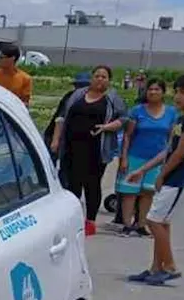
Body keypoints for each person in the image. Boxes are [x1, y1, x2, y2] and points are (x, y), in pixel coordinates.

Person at [126, 74, 184, 286]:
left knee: (153, 221)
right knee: (161, 222)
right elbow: (168, 150)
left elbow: (180, 153)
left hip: (179, 179)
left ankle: (170, 266)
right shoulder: (181, 118)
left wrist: (162, 175)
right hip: (171, 178)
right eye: (177, 91)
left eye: (183, 92)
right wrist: (143, 170)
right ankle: (156, 267)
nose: (178, 96)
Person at [51, 65, 127, 223]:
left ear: (109, 80)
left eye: (104, 77)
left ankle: (90, 221)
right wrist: (56, 139)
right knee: (72, 184)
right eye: (97, 76)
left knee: (92, 184)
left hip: (97, 149)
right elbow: (61, 117)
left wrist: (106, 127)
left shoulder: (113, 99)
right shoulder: (76, 95)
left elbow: (123, 120)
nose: (100, 79)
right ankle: (73, 220)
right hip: (71, 146)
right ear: (91, 78)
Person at [116, 78, 175, 237]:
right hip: (135, 156)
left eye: (157, 89)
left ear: (163, 92)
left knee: (147, 192)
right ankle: (127, 225)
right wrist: (124, 157)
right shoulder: (137, 111)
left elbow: (171, 138)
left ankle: (142, 225)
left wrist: (168, 158)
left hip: (157, 159)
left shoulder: (171, 112)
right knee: (129, 192)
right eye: (150, 89)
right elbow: (127, 136)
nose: (153, 92)